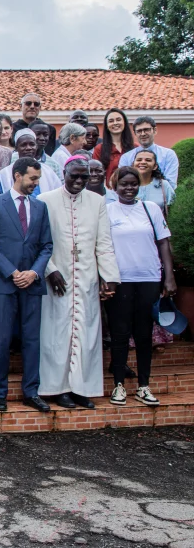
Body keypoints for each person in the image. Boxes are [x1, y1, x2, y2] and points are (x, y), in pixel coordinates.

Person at [37, 156, 120, 409]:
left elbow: (103, 242)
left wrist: (110, 277)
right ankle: (56, 388)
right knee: (55, 334)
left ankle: (81, 388)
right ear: (64, 172)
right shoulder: (45, 200)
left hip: (86, 278)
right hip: (56, 279)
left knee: (86, 334)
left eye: (85, 177)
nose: (79, 180)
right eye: (74, 175)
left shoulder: (97, 202)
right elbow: (38, 243)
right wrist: (50, 270)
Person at [0, 157, 54, 413]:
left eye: (38, 178)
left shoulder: (40, 206)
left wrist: (34, 272)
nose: (36, 183)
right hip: (4, 283)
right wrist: (13, 273)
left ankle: (31, 392)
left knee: (32, 339)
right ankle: (0, 394)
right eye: (33, 178)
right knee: (1, 339)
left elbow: (47, 245)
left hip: (32, 284)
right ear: (17, 175)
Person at [105, 166, 177, 406]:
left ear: (139, 186)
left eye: (133, 184)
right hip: (120, 280)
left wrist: (169, 277)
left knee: (144, 334)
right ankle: (119, 386)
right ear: (115, 186)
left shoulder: (151, 209)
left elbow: (164, 243)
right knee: (120, 333)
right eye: (123, 184)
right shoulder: (107, 211)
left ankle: (144, 386)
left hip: (149, 278)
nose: (128, 188)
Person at [0, 129, 63, 196]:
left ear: (36, 146)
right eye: (24, 145)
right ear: (16, 148)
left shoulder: (48, 171)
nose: (28, 148)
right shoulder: (5, 173)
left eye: (32, 144)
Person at [119, 116, 180, 187]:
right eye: (139, 131)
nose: (143, 134)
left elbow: (170, 184)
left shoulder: (168, 155)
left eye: (146, 130)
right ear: (135, 134)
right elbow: (123, 183)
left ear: (155, 130)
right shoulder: (126, 157)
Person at [92, 108, 134, 186]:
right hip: (109, 192)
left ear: (124, 122)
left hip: (131, 190)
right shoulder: (99, 149)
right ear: (107, 126)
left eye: (118, 120)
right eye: (111, 121)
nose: (115, 123)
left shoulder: (135, 148)